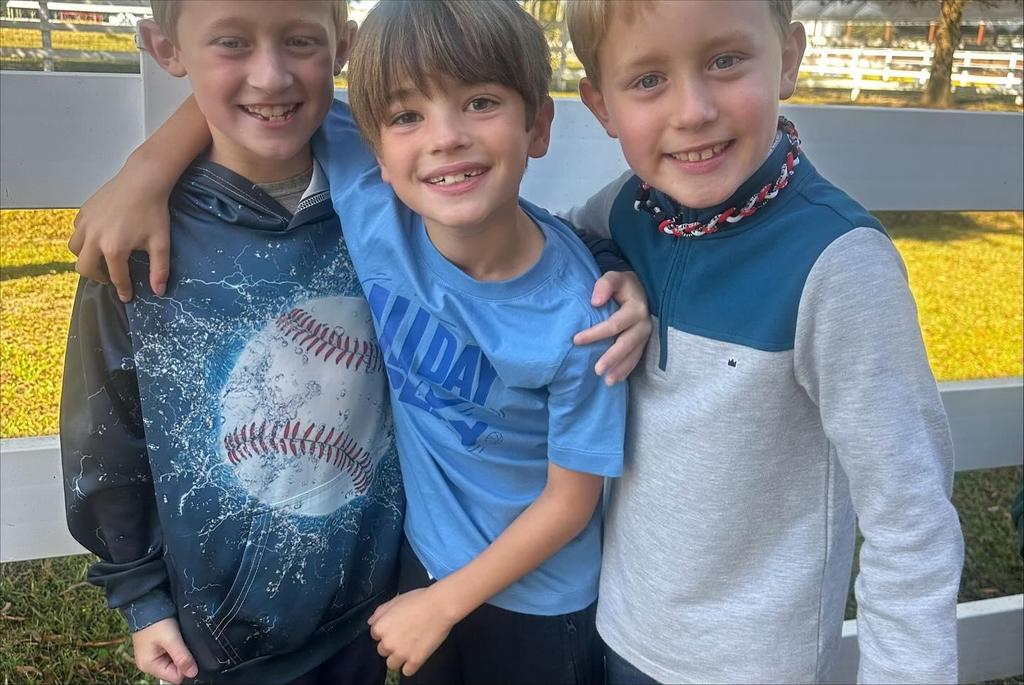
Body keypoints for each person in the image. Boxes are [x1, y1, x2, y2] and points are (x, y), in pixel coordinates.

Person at [64, 2, 650, 683]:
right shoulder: (369, 194)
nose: (444, 137)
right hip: (341, 595)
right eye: (408, 117)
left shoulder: (578, 318)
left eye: (481, 104)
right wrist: (145, 169)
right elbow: (260, 95)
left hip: (501, 603)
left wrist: (615, 265)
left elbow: (570, 496)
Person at [561, 1, 965, 683]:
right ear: (602, 106)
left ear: (788, 59)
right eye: (648, 80)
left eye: (725, 61)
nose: (693, 111)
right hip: (620, 629)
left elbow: (910, 519)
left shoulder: (839, 265)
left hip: (755, 666)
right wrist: (609, 267)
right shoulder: (629, 208)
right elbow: (558, 243)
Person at [60, 2, 405, 684]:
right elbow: (106, 435)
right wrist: (140, 595)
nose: (271, 76)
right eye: (231, 43)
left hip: (372, 610)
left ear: (342, 46)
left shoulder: (391, 192)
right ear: (166, 48)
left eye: (299, 40)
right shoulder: (137, 242)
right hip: (220, 639)